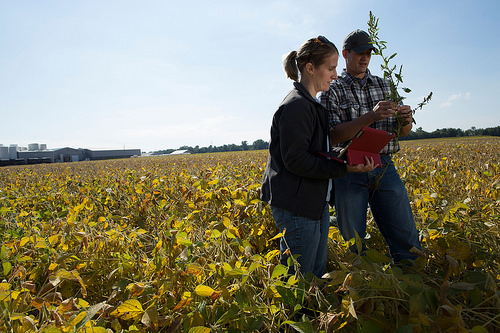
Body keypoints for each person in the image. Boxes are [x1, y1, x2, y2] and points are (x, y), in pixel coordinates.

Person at [261, 36, 376, 277]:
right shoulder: (297, 106)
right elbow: (297, 160)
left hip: (312, 201)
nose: (335, 75)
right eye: (331, 68)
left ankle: (311, 314)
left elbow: (317, 152)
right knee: (300, 277)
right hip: (297, 205)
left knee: (314, 272)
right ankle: (299, 315)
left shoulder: (311, 105)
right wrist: (345, 168)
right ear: (310, 68)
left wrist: (347, 157)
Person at [320, 29, 422, 263]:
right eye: (359, 53)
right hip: (349, 169)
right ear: (345, 54)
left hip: (384, 166)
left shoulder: (385, 85)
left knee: (405, 232)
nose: (364, 58)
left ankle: (412, 277)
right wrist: (370, 117)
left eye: (368, 53)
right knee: (353, 241)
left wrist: (406, 121)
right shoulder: (332, 89)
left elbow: (401, 133)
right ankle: (362, 286)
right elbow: (332, 136)